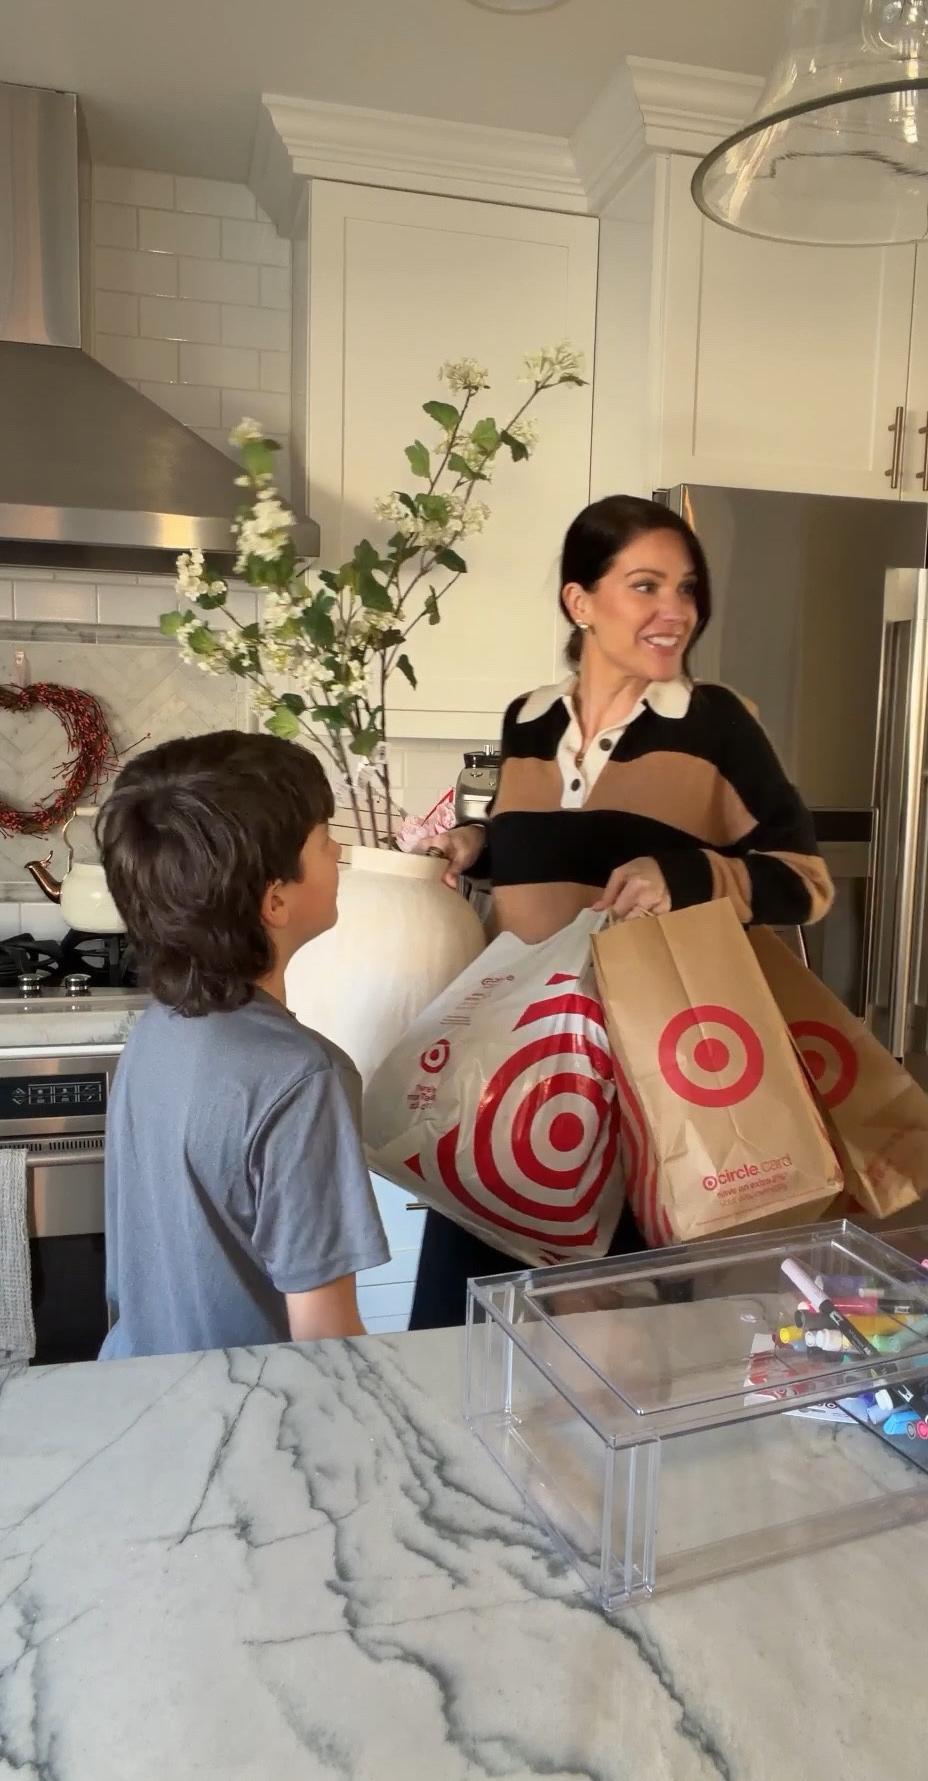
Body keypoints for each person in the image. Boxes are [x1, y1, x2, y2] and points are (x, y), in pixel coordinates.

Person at [411, 493, 834, 1329]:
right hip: (511, 1075)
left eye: (686, 589)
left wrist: (687, 872)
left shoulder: (718, 724)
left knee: (613, 1355)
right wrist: (473, 848)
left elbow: (805, 880)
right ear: (581, 601)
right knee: (465, 1331)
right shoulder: (526, 720)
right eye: (646, 586)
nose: (675, 611)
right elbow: (541, 848)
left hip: (645, 1089)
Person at [95, 731, 388, 1358]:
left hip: (143, 1392)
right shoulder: (304, 1077)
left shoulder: (159, 1025)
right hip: (254, 1421)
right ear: (275, 900)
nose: (340, 850)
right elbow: (327, 1340)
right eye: (324, 839)